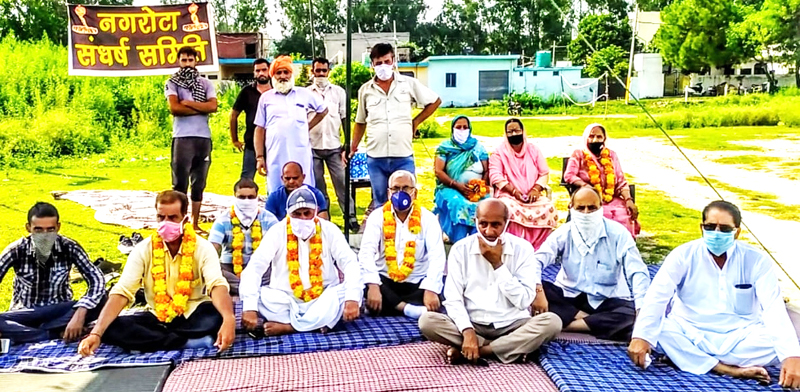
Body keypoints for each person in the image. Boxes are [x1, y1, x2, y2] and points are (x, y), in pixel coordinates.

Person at [628, 201, 800, 388]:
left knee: (779, 344)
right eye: (711, 227)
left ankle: (693, 360)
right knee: (661, 329)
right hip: (691, 330)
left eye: (725, 229)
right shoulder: (683, 255)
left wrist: (791, 356)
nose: (716, 233)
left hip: (741, 336)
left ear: (737, 232)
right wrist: (641, 336)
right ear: (701, 228)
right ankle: (726, 368)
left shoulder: (756, 260)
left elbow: (773, 307)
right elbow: (657, 296)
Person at [78, 191, 235, 355]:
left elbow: (216, 284)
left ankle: (150, 342)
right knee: (111, 327)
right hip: (156, 317)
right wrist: (96, 334)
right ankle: (187, 343)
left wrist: (228, 319)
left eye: (173, 218)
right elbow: (123, 291)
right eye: (161, 217)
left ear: (185, 219)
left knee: (216, 316)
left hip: (193, 315)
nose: (166, 223)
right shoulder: (143, 249)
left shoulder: (202, 247)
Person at [419, 199, 562, 364]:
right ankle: (508, 348)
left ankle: (481, 350)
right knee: (427, 321)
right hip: (473, 322)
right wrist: (467, 330)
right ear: (476, 222)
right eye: (483, 224)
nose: (489, 231)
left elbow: (523, 301)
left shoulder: (523, 249)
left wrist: (498, 265)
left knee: (552, 323)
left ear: (506, 223)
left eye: (496, 225)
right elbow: (453, 299)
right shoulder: (460, 249)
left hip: (513, 323)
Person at [239, 188, 362, 336]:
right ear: (288, 213)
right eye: (296, 214)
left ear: (316, 211)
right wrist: (250, 308)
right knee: (256, 296)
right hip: (285, 301)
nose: (302, 218)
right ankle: (317, 324)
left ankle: (289, 327)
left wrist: (351, 298)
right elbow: (255, 268)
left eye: (307, 213)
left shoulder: (329, 229)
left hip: (323, 299)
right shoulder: (277, 231)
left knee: (348, 293)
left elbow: (350, 263)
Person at [532, 187, 650, 341]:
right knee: (534, 290)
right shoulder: (564, 232)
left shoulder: (618, 234)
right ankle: (592, 321)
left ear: (601, 207)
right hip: (569, 296)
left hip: (606, 299)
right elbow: (537, 260)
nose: (586, 213)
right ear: (571, 208)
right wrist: (538, 290)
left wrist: (642, 309)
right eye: (580, 208)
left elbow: (637, 271)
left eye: (592, 208)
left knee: (630, 316)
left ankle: (566, 325)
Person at [351, 43, 442, 210]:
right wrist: (352, 147)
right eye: (378, 63)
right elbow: (360, 121)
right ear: (372, 65)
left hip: (403, 154)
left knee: (406, 202)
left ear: (393, 61)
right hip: (375, 156)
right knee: (381, 203)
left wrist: (416, 122)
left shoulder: (408, 84)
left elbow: (434, 101)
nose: (383, 66)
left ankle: (409, 235)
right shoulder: (365, 90)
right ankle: (385, 235)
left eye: (386, 61)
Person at [0, 202, 106, 344]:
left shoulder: (69, 247)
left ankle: (29, 334)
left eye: (50, 230)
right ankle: (52, 334)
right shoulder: (16, 250)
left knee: (104, 299)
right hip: (26, 312)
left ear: (58, 227)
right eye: (38, 230)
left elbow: (97, 279)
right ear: (28, 228)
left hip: (60, 310)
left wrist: (81, 311)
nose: (45, 235)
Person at [358, 170, 445, 320]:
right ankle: (407, 309)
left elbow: (437, 256)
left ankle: (392, 307)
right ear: (388, 193)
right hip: (385, 281)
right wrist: (373, 285)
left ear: (415, 193)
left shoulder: (428, 219)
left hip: (416, 282)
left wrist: (430, 289)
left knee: (444, 287)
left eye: (405, 188)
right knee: (362, 280)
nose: (400, 193)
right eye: (396, 189)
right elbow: (366, 253)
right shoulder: (377, 217)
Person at [254, 55, 328, 193]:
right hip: (275, 153)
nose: (283, 76)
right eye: (278, 73)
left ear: (291, 74)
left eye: (286, 72)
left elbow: (323, 110)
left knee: (304, 190)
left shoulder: (304, 93)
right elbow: (259, 128)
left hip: (300, 152)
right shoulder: (266, 98)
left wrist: (307, 126)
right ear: (273, 75)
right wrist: (259, 157)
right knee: (277, 190)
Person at [165, 46, 218, 234]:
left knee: (199, 182)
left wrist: (187, 103)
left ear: (196, 61)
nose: (187, 63)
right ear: (179, 61)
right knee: (180, 182)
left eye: (190, 60)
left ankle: (194, 223)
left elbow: (213, 106)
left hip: (203, 137)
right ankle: (178, 222)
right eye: (184, 60)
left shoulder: (205, 83)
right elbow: (174, 109)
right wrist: (200, 107)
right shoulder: (172, 83)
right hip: (182, 137)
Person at [488, 118, 558, 250]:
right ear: (505, 134)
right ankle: (514, 248)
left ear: (523, 131)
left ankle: (537, 247)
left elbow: (544, 172)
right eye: (510, 132)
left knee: (549, 208)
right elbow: (495, 176)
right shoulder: (499, 152)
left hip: (533, 196)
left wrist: (536, 189)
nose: (514, 134)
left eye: (517, 130)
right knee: (508, 210)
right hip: (509, 195)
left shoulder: (533, 150)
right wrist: (514, 191)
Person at [307, 57, 358, 231]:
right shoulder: (306, 93)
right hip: (313, 146)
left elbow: (344, 117)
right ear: (312, 71)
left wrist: (347, 142)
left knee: (342, 182)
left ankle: (350, 216)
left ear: (329, 71)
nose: (321, 74)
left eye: (324, 70)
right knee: (318, 184)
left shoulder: (338, 92)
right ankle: (324, 217)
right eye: (317, 70)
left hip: (334, 146)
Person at [564, 123, 639, 237]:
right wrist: (585, 186)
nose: (595, 140)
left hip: (611, 199)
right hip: (588, 199)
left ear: (604, 138)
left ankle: (620, 249)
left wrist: (628, 200)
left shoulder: (611, 155)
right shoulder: (578, 154)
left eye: (599, 137)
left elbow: (620, 181)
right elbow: (569, 175)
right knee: (601, 214)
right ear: (586, 137)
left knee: (623, 215)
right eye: (591, 136)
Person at [209, 178, 279, 296]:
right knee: (214, 271)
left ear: (257, 197)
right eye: (242, 197)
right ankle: (252, 290)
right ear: (234, 196)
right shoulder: (223, 220)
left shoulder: (269, 219)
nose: (246, 201)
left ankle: (244, 289)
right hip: (230, 268)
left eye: (251, 197)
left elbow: (281, 247)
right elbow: (210, 250)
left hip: (261, 270)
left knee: (277, 270)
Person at [433, 115, 490, 243]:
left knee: (486, 206)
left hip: (476, 189)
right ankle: (459, 241)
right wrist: (456, 185)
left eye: (465, 127)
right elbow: (438, 171)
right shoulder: (445, 148)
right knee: (459, 204)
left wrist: (481, 185)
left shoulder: (478, 147)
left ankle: (479, 240)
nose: (462, 130)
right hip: (450, 188)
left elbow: (487, 170)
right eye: (459, 127)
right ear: (452, 129)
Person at [230, 58, 271, 180]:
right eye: (257, 71)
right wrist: (235, 139)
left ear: (269, 70)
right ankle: (245, 199)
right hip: (251, 143)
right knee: (246, 179)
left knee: (276, 179)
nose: (261, 73)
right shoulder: (247, 91)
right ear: (254, 73)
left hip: (274, 143)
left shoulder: (277, 91)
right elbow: (233, 115)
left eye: (264, 70)